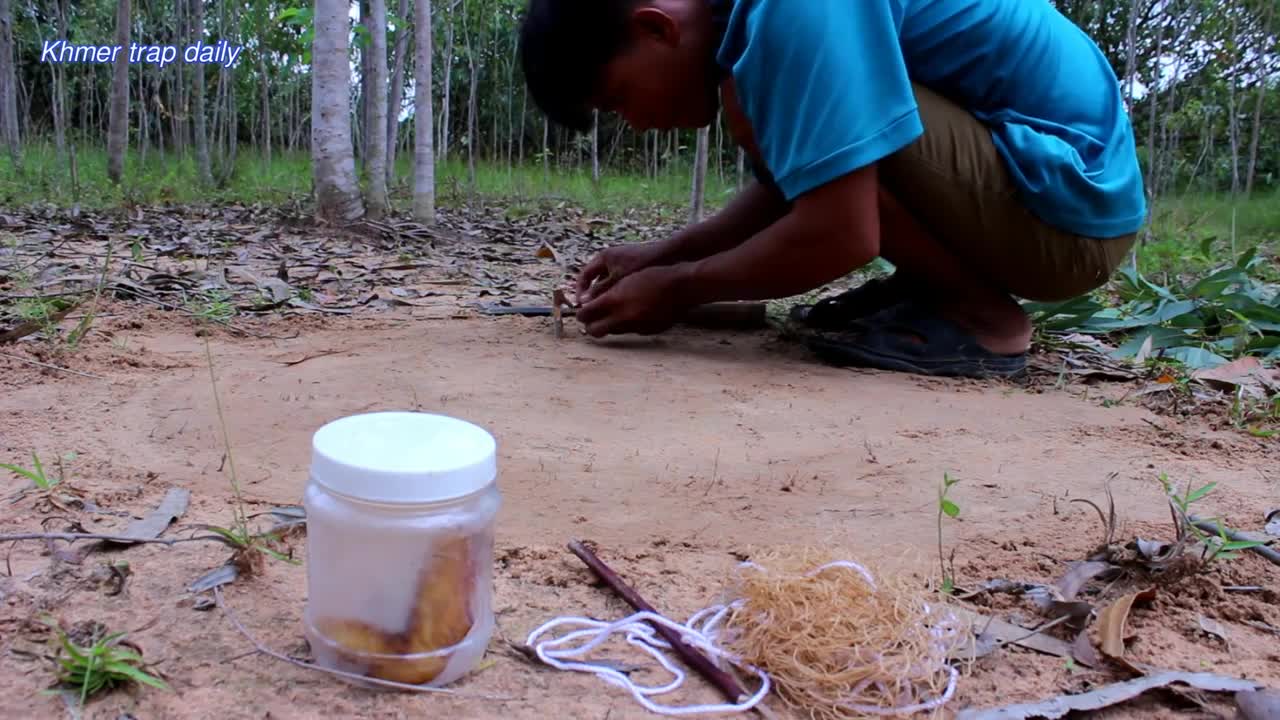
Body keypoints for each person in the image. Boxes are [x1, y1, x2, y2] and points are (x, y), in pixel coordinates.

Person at [517, 0, 1147, 378]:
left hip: (1069, 220)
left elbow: (841, 230)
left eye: (619, 100)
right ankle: (934, 291)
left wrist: (680, 289)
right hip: (1037, 193)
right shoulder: (756, 21)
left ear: (657, 28)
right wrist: (663, 255)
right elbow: (809, 180)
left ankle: (986, 321)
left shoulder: (787, 13)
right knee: (812, 129)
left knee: (787, 114)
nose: (637, 122)